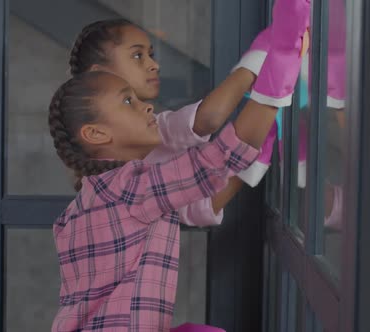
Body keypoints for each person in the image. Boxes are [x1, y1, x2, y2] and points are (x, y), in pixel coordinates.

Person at [48, 0, 311, 330]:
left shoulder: (79, 209)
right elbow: (215, 161)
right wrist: (280, 58)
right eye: (128, 102)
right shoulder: (129, 187)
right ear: (97, 132)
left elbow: (200, 194)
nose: (146, 109)